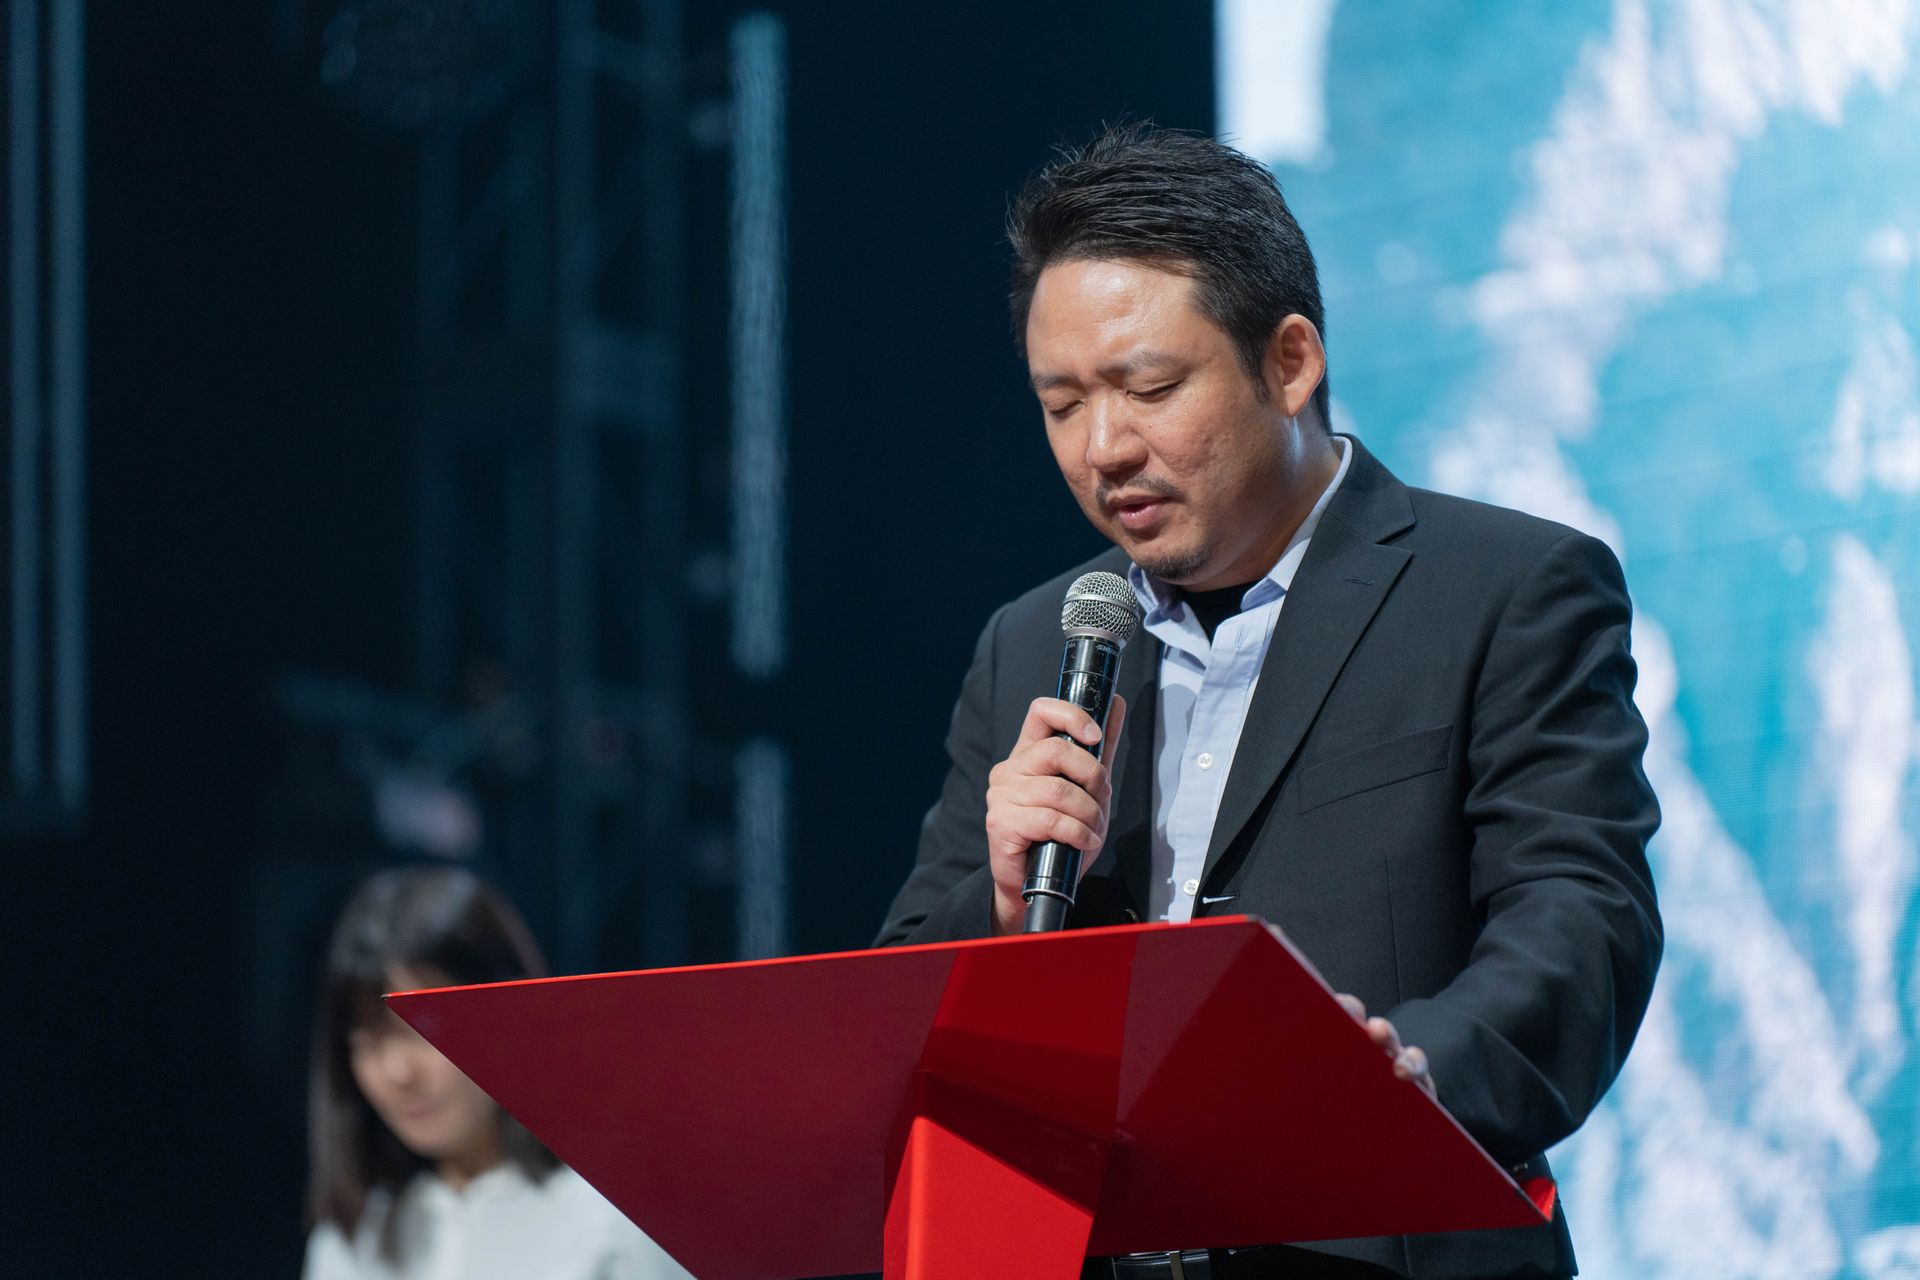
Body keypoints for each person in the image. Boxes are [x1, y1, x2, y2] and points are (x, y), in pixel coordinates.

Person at [875, 124, 1663, 1280]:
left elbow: (1582, 920)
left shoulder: (1505, 589)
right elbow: (894, 1011)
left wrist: (1405, 1074)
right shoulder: (1032, 643)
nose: (1104, 447)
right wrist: (999, 905)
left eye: (1149, 388)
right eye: (1061, 404)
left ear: (1289, 362)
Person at [303, 865, 691, 1280]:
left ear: (508, 1015)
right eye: (368, 1042)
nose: (399, 1073)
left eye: (422, 1031)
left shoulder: (614, 1222)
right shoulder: (351, 1240)